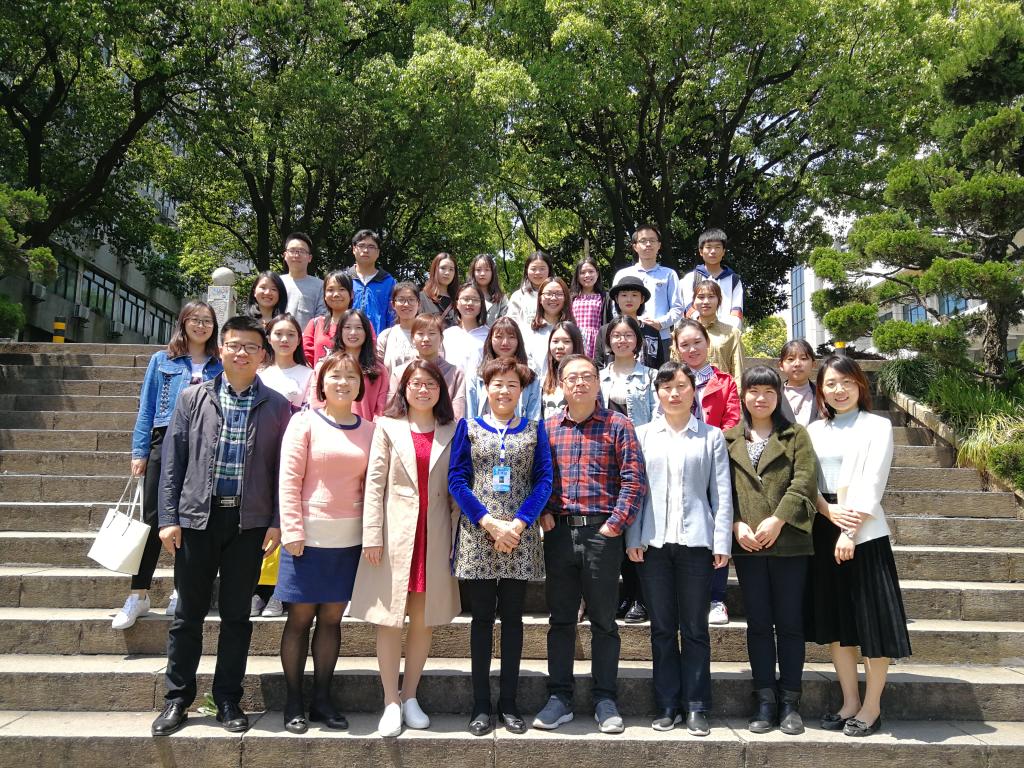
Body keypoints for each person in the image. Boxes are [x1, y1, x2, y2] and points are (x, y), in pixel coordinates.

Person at [151, 315, 290, 737]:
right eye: (234, 345)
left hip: (248, 524)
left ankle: (228, 698)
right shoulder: (192, 398)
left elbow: (283, 470)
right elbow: (172, 462)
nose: (241, 353)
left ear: (263, 355)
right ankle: (178, 698)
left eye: (251, 347)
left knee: (236, 616)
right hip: (198, 518)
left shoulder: (278, 406)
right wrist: (168, 519)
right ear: (221, 349)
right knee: (187, 615)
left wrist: (276, 522)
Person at [533, 354, 646, 735]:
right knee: (561, 619)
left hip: (602, 534)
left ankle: (604, 698)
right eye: (572, 377)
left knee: (604, 621)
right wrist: (544, 511)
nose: (579, 383)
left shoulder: (618, 425)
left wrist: (615, 524)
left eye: (587, 376)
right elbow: (537, 477)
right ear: (561, 385)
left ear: (598, 383)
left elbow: (633, 479)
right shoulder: (548, 427)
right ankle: (559, 697)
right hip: (560, 534)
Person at [350, 360, 462, 738]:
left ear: (441, 390)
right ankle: (390, 701)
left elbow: (457, 489)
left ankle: (410, 695)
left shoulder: (453, 430)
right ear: (405, 389)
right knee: (389, 619)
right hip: (395, 533)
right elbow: (375, 483)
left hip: (435, 534)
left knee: (423, 620)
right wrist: (372, 535)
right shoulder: (387, 426)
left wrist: (457, 539)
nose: (423, 390)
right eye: (416, 384)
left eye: (431, 384)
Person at [806, 355, 912, 737]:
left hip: (863, 532)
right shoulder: (813, 430)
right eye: (831, 383)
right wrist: (827, 511)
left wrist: (849, 531)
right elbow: (807, 480)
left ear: (860, 385)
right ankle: (849, 700)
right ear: (821, 390)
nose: (839, 390)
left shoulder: (877, 426)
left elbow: (873, 480)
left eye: (846, 382)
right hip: (824, 527)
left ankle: (871, 707)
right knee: (837, 623)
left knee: (872, 623)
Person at [625, 362, 732, 736]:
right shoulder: (642, 435)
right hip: (653, 545)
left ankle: (697, 705)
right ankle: (668, 704)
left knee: (696, 628)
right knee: (662, 629)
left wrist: (721, 542)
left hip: (696, 544)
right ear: (657, 393)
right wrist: (633, 538)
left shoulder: (711, 437)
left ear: (693, 391)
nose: (674, 393)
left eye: (682, 386)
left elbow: (721, 495)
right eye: (667, 387)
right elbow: (635, 492)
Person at [449, 357, 553, 736]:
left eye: (512, 384)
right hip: (479, 534)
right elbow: (457, 479)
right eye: (498, 383)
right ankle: (481, 705)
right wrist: (489, 522)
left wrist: (519, 523)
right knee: (480, 620)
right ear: (486, 388)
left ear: (521, 390)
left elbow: (544, 480)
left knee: (512, 620)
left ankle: (508, 703)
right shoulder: (469, 427)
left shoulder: (534, 429)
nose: (504, 390)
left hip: (519, 538)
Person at [275, 352, 375, 734]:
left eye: (351, 376)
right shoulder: (304, 422)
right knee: (300, 619)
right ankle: (292, 700)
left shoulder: (370, 430)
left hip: (348, 540)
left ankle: (322, 699)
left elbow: (372, 486)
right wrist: (292, 530)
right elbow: (289, 480)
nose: (343, 382)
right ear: (321, 383)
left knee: (331, 619)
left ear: (360, 385)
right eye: (335, 375)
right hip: (306, 537)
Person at [724, 366, 818, 735]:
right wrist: (736, 524)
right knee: (759, 624)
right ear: (743, 395)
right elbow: (722, 489)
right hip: (748, 544)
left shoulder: (796, 435)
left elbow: (804, 481)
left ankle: (790, 701)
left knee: (790, 623)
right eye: (753, 391)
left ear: (779, 396)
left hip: (789, 542)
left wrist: (778, 519)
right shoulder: (728, 439)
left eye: (768, 391)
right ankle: (764, 699)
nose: (760, 398)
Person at [117, 302, 222, 630]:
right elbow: (146, 407)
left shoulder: (220, 365)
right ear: (184, 323)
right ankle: (138, 593)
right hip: (163, 439)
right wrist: (139, 451)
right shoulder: (162, 361)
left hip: (202, 444)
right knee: (152, 518)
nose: (201, 326)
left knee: (190, 518)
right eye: (195, 320)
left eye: (207, 321)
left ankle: (181, 589)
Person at [672, 319, 741, 625]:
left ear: (707, 343)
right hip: (678, 459)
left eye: (697, 342)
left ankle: (716, 598)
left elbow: (733, 421)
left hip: (715, 459)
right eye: (684, 345)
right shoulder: (671, 380)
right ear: (677, 349)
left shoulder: (724, 382)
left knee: (717, 525)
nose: (692, 349)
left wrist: (710, 445)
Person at [598, 315, 658, 624]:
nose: (622, 340)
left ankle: (641, 597)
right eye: (616, 335)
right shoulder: (598, 376)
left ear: (638, 340)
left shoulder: (651, 376)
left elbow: (658, 416)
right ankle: (626, 594)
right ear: (608, 341)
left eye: (628, 335)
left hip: (640, 456)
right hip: (607, 458)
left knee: (638, 524)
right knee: (618, 524)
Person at [611, 225, 683, 363]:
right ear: (635, 246)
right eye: (643, 241)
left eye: (652, 240)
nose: (648, 244)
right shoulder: (623, 274)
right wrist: (625, 326)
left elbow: (678, 308)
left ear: (659, 245)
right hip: (627, 336)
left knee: (660, 373)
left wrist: (660, 323)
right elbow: (615, 308)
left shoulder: (669, 274)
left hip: (661, 336)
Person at [308, 309, 389, 421]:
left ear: (367, 332)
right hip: (329, 427)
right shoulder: (324, 366)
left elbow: (381, 410)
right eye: (347, 327)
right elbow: (317, 403)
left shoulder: (379, 370)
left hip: (365, 429)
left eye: (359, 328)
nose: (353, 332)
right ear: (340, 331)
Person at [390, 314, 467, 419]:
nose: (426, 339)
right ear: (412, 338)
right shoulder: (400, 372)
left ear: (441, 338)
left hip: (445, 427)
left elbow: (458, 413)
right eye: (420, 334)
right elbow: (394, 409)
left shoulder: (455, 373)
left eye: (432, 333)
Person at [466, 317, 542, 420]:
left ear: (518, 341)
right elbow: (470, 416)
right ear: (490, 340)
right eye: (499, 337)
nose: (505, 342)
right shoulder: (477, 376)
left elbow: (534, 419)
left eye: (511, 337)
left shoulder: (531, 378)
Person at [680, 228, 744, 328]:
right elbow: (688, 308)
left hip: (726, 333)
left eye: (717, 247)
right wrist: (704, 327)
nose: (713, 251)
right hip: (697, 332)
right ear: (701, 251)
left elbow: (737, 311)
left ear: (723, 251)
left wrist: (727, 331)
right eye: (708, 247)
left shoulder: (734, 280)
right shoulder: (690, 278)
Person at [594, 276, 661, 369]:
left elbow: (660, 364)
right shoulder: (605, 330)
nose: (629, 299)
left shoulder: (652, 331)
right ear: (616, 299)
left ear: (642, 299)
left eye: (634, 295)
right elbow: (598, 364)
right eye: (624, 295)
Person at [258, 314, 313, 410]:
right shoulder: (258, 373)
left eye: (291, 335)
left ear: (299, 340)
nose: (284, 340)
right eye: (278, 334)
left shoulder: (310, 375)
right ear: (269, 339)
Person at [691, 279, 744, 378]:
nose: (706, 301)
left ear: (719, 300)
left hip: (722, 386)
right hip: (691, 387)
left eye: (711, 297)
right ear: (694, 301)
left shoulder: (732, 333)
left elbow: (738, 372)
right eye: (701, 297)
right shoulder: (683, 333)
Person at [348, 229, 397, 334]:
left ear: (378, 252)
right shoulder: (345, 279)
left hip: (379, 339)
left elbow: (393, 316)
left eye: (371, 247)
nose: (366, 250)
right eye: (361, 245)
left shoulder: (388, 282)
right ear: (354, 249)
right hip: (348, 337)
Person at [526, 277, 576, 378]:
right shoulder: (528, 331)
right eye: (548, 294)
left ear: (565, 298)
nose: (553, 298)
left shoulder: (575, 331)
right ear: (540, 299)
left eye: (558, 294)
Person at [302, 270, 353, 367]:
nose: (336, 294)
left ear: (351, 294)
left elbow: (368, 356)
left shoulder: (362, 324)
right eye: (330, 290)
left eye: (342, 289)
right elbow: (306, 359)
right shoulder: (315, 324)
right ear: (324, 295)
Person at [280, 232, 327, 329]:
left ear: (309, 258)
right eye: (292, 250)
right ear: (285, 255)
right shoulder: (276, 283)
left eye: (301, 251)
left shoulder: (320, 286)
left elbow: (321, 318)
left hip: (307, 338)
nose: (296, 255)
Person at [442, 282, 490, 376]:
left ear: (481, 304)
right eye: (466, 299)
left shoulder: (489, 334)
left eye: (475, 300)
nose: (470, 303)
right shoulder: (447, 334)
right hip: (451, 383)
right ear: (457, 303)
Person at [539, 322, 584, 418]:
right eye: (555, 341)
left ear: (576, 343)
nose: (560, 346)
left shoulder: (586, 377)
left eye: (566, 341)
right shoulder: (545, 378)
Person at [570, 256, 609, 359]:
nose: (587, 275)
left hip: (596, 341)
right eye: (582, 272)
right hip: (575, 339)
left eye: (591, 271)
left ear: (597, 273)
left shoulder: (605, 297)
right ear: (577, 276)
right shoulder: (572, 298)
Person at [376, 282, 420, 372]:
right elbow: (378, 370)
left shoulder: (428, 334)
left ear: (419, 304)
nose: (406, 304)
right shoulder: (385, 336)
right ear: (393, 304)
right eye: (401, 299)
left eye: (411, 299)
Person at [506, 250, 553, 332]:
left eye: (542, 269)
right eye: (533, 269)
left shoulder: (558, 295)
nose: (538, 272)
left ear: (549, 270)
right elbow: (511, 324)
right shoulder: (518, 296)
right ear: (527, 270)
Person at [778, 339, 822, 426]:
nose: (797, 364)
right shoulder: (773, 396)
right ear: (781, 365)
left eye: (803, 358)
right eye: (791, 359)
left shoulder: (824, 395)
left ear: (813, 364)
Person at [418, 252, 460, 326]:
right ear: (435, 269)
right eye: (443, 268)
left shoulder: (459, 299)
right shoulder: (421, 298)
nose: (447, 273)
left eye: (451, 269)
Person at [470, 253, 508, 326]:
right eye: (478, 270)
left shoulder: (501, 298)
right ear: (473, 272)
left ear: (492, 272)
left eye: (487, 270)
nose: (482, 273)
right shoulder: (465, 295)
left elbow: (504, 323)